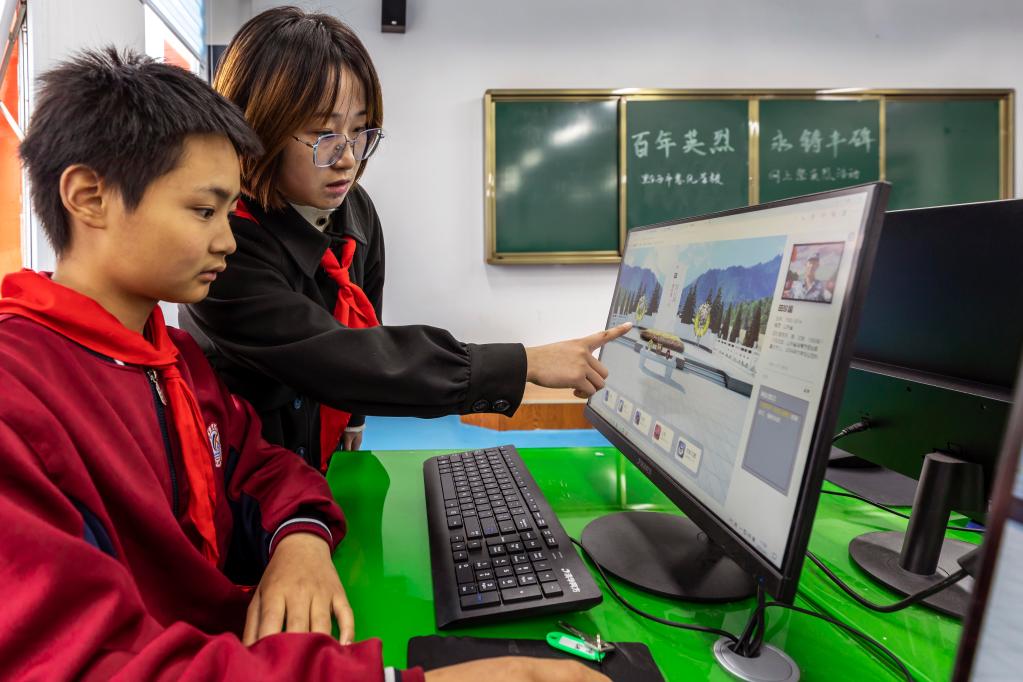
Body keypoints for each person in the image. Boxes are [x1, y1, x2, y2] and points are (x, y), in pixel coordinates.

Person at [0, 47, 606, 682]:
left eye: (359, 130)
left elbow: (261, 465)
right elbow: (84, 664)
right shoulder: (22, 398)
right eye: (205, 211)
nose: (227, 241)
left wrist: (300, 536)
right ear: (89, 197)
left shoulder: (166, 358)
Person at [179, 6, 630, 471]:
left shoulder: (354, 208)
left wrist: (353, 418)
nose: (348, 159)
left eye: (359, 131)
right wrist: (523, 364)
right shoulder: (224, 243)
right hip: (244, 477)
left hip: (322, 453)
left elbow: (365, 323)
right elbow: (335, 356)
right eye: (323, 134)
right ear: (258, 126)